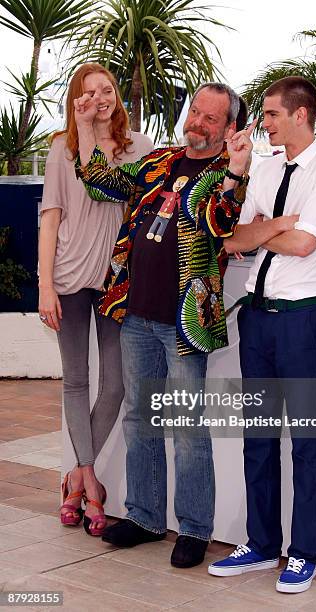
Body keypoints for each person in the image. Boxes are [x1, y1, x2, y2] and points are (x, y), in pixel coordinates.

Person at [74, 81, 298, 568]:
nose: (197, 122)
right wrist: (89, 124)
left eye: (210, 118)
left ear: (230, 128)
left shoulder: (236, 173)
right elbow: (100, 181)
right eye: (195, 112)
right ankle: (145, 517)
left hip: (185, 321)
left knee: (187, 427)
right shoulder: (161, 161)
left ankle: (195, 528)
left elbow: (223, 225)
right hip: (134, 314)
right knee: (139, 419)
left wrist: (236, 171)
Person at [208, 76, 316, 592]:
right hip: (258, 318)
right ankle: (262, 545)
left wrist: (274, 231)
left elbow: (304, 244)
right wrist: (276, 226)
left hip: (302, 320)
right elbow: (234, 238)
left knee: (307, 439)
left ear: (301, 114)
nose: (262, 123)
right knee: (259, 436)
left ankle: (303, 553)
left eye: (269, 115)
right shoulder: (265, 169)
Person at [38, 63, 153, 537]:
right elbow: (51, 218)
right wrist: (45, 285)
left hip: (115, 279)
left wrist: (90, 130)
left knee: (117, 384)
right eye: (88, 94)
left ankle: (75, 478)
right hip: (68, 274)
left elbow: (102, 182)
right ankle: (88, 482)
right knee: (76, 381)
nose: (100, 98)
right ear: (75, 100)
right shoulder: (59, 151)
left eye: (107, 90)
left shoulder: (139, 148)